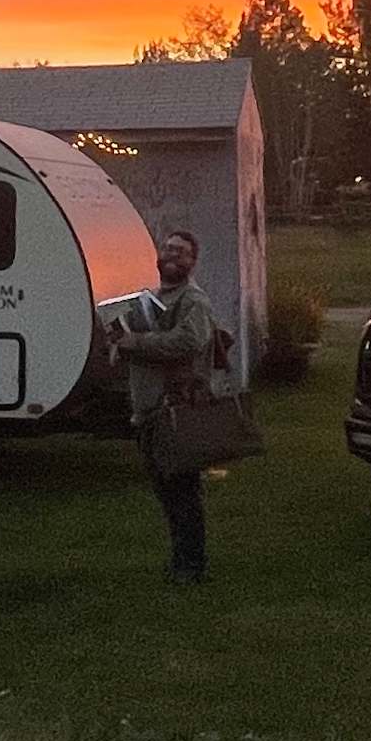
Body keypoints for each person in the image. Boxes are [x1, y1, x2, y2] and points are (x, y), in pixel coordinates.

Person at [111, 227, 234, 585]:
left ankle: (191, 566)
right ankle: (181, 559)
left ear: (193, 261)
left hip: (177, 409)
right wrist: (118, 337)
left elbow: (188, 341)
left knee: (183, 491)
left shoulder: (194, 301)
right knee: (167, 492)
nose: (171, 256)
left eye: (180, 252)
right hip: (149, 410)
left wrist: (136, 342)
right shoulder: (151, 298)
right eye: (167, 249)